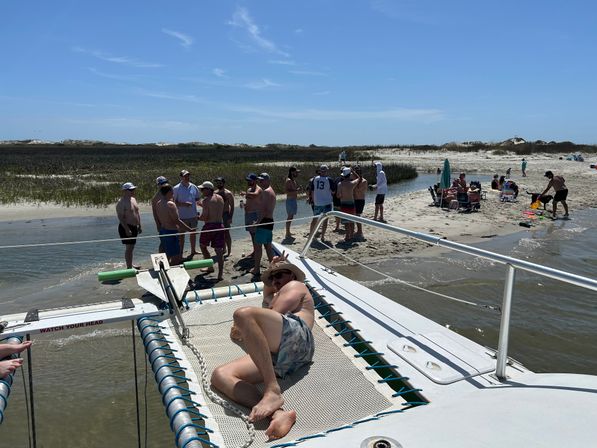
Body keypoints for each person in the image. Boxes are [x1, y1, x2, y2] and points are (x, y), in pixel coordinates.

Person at [211, 252, 314, 440]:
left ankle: (272, 390)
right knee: (220, 375)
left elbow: (275, 311)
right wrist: (272, 268)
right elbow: (267, 294)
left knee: (242, 314)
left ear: (291, 275)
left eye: (280, 275)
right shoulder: (274, 296)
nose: (275, 280)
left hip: (299, 339)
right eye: (272, 278)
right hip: (282, 356)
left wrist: (242, 328)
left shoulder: (296, 286)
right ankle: (277, 414)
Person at [156, 184, 194, 265]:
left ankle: (164, 268)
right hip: (171, 232)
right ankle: (172, 272)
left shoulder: (158, 203)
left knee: (165, 253)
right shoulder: (170, 204)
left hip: (163, 231)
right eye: (172, 191)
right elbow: (177, 221)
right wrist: (190, 229)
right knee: (176, 257)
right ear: (169, 192)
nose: (173, 193)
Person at [198, 181, 225, 281]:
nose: (201, 191)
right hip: (220, 225)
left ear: (209, 189)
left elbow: (205, 216)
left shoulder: (206, 200)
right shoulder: (220, 198)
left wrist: (197, 217)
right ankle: (220, 274)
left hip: (209, 226)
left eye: (203, 189)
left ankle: (210, 266)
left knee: (202, 245)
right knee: (219, 251)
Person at [173, 169, 200, 258]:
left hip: (193, 215)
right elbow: (173, 202)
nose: (187, 177)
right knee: (181, 235)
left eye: (188, 175)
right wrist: (184, 204)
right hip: (182, 216)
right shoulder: (176, 188)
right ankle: (180, 253)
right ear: (181, 177)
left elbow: (197, 199)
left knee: (193, 233)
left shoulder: (194, 186)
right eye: (185, 176)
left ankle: (193, 250)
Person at [253, 173, 276, 276]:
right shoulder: (271, 191)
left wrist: (257, 223)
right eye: (259, 180)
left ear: (267, 180)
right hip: (269, 221)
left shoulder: (266, 192)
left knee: (258, 247)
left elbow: (264, 211)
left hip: (264, 221)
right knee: (268, 246)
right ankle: (273, 268)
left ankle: (256, 269)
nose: (260, 182)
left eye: (262, 180)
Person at [116, 182, 142, 269]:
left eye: (133, 189)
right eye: (131, 190)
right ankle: (129, 267)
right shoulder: (121, 202)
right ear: (125, 191)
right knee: (129, 248)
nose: (133, 191)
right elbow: (120, 217)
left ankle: (130, 263)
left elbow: (137, 212)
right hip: (126, 227)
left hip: (134, 227)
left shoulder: (133, 199)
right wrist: (127, 229)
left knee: (132, 247)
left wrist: (139, 225)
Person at [309, 165, 335, 242]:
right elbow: (333, 191)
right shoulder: (329, 179)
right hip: (327, 203)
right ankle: (322, 236)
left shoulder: (315, 179)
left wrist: (314, 201)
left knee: (314, 219)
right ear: (326, 171)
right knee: (325, 220)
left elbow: (312, 191)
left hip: (317, 202)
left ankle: (311, 235)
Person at [337, 166, 362, 241]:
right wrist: (353, 172)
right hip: (351, 203)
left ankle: (347, 236)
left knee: (346, 221)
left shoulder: (340, 184)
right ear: (349, 175)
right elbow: (359, 178)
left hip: (343, 203)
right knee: (351, 220)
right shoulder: (352, 183)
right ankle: (351, 235)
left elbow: (338, 195)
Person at [241, 173, 263, 257]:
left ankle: (257, 252)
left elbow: (256, 195)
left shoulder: (258, 189)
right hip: (248, 214)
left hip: (255, 214)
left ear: (255, 181)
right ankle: (255, 251)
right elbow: (249, 200)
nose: (248, 182)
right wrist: (244, 205)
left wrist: (245, 194)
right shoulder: (249, 189)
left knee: (255, 234)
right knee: (251, 233)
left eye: (250, 180)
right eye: (248, 180)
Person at [214, 177, 235, 257]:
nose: (218, 184)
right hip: (217, 215)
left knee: (227, 233)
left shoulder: (228, 193)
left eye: (220, 182)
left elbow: (232, 207)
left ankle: (229, 251)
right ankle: (223, 249)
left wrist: (230, 217)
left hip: (226, 214)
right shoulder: (215, 193)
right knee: (219, 233)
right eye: (217, 182)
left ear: (223, 183)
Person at [152, 176, 170, 252]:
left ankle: (171, 258)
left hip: (171, 222)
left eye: (165, 182)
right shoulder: (156, 198)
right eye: (162, 183)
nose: (164, 184)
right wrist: (158, 225)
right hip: (162, 224)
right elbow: (155, 213)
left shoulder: (170, 193)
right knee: (163, 242)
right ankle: (160, 261)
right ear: (158, 185)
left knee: (172, 241)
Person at [284, 167, 300, 240]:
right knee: (289, 217)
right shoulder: (288, 180)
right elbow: (287, 192)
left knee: (291, 217)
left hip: (293, 200)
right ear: (292, 172)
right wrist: (296, 191)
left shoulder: (293, 180)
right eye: (296, 172)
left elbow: (293, 190)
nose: (297, 173)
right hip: (290, 200)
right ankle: (287, 233)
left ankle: (288, 232)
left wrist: (297, 190)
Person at [353, 166, 368, 239]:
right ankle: (358, 231)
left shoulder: (364, 181)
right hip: (355, 199)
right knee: (355, 216)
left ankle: (360, 231)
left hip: (360, 200)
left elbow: (358, 189)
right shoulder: (354, 181)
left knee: (357, 215)